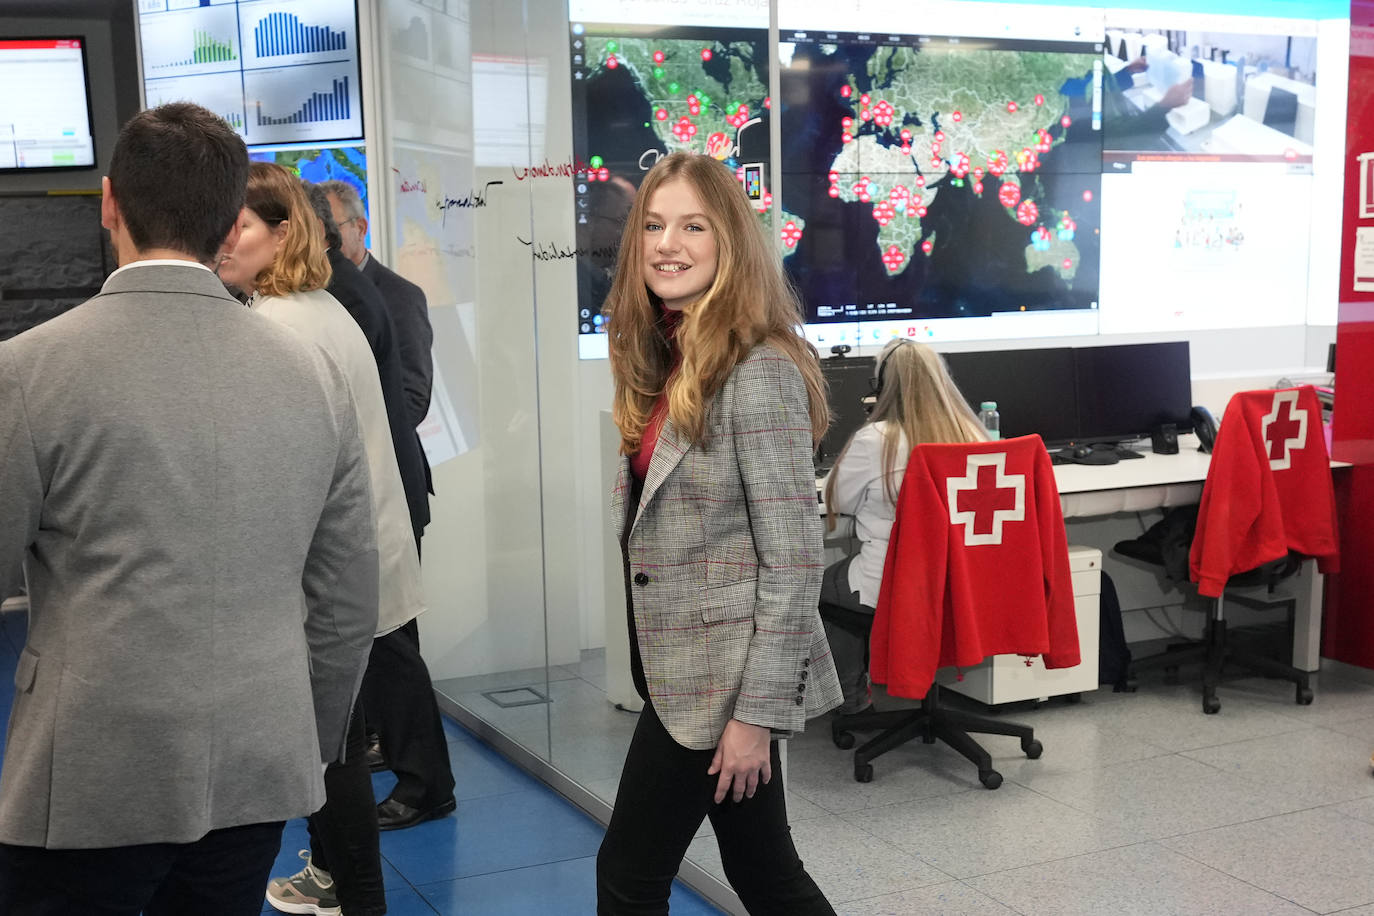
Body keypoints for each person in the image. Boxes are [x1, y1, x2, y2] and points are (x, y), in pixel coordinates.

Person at [0, 103, 378, 914]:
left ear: (110, 204)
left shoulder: (28, 371)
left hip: (89, 773)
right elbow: (345, 597)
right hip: (257, 760)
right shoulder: (313, 373)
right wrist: (302, 741)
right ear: (227, 220)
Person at [596, 151, 843, 915]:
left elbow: (795, 560)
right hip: (684, 671)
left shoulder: (757, 368)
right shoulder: (669, 357)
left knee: (629, 878)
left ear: (728, 241)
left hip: (719, 687)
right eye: (654, 225)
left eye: (692, 226)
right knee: (767, 876)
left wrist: (754, 718)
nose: (668, 244)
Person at [216, 162, 433, 916]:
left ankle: (356, 898)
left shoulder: (277, 327)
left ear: (282, 233)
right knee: (334, 744)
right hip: (355, 561)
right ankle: (346, 889)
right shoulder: (316, 307)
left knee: (329, 754)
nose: (223, 239)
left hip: (330, 572)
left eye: (238, 225)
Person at [302, 180, 457, 831]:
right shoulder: (327, 297)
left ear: (356, 229)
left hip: (391, 488)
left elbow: (413, 398)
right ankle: (378, 744)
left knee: (393, 640)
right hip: (359, 494)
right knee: (371, 638)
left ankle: (425, 780)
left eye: (333, 231)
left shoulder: (392, 295)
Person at [819, 339, 988, 715]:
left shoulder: (875, 439)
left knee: (817, 589)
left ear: (881, 388)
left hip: (893, 584)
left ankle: (850, 700)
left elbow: (839, 503)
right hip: (960, 587)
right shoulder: (974, 437)